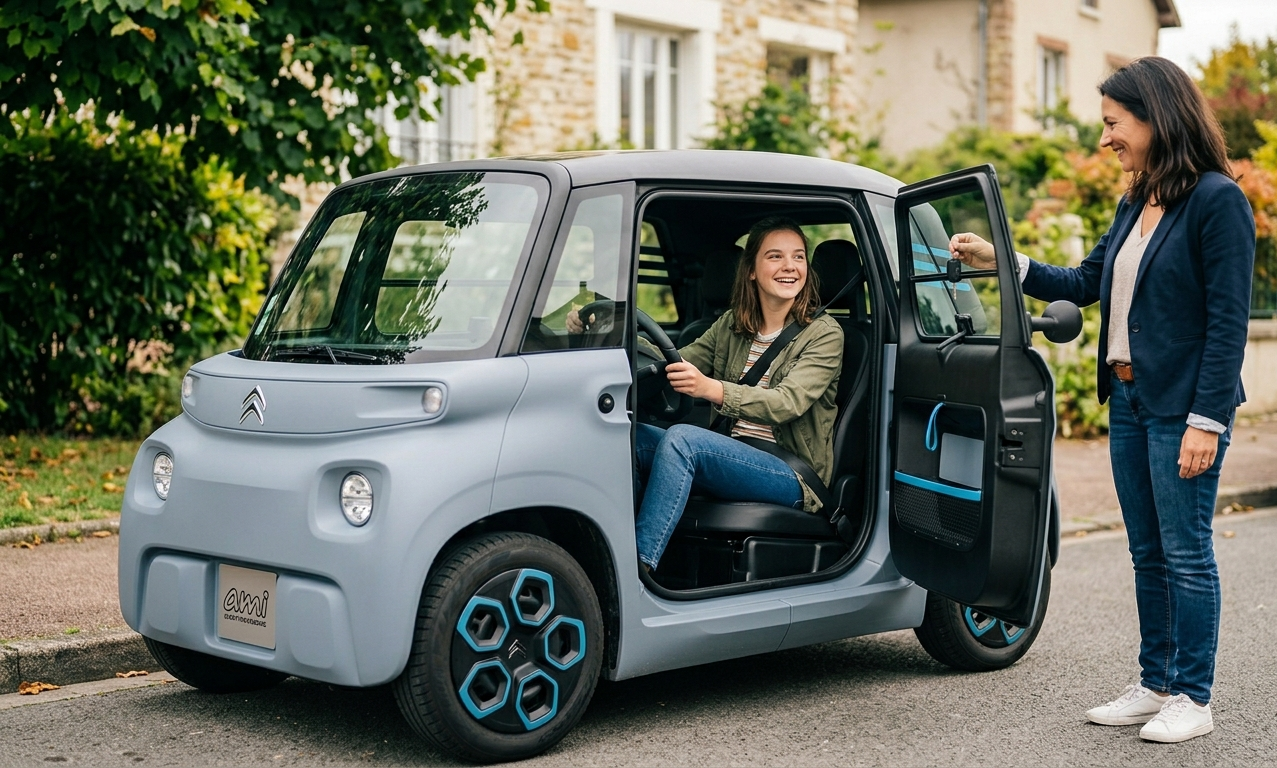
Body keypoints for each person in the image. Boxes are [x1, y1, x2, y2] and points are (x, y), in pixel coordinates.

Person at [950, 57, 1254, 743]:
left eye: (1112, 125)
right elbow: (1084, 280)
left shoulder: (1215, 200)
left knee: (1184, 551)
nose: (1104, 139)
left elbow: (1228, 322)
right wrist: (999, 258)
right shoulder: (1133, 201)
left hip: (1183, 407)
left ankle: (1192, 696)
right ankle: (1154, 684)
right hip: (1126, 401)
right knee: (1146, 552)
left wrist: (1206, 420)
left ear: (1155, 117)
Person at [582, 216, 843, 572]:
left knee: (684, 441)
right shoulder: (733, 324)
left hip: (791, 473)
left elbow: (787, 403)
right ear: (751, 270)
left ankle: (637, 569)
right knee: (631, 436)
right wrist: (604, 329)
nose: (789, 267)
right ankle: (605, 552)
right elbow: (670, 360)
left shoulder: (825, 334)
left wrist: (712, 389)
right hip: (734, 455)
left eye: (798, 257)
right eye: (775, 257)